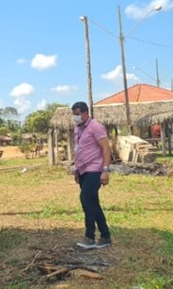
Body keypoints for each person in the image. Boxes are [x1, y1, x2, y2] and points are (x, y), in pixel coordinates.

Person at [71, 101, 112, 249]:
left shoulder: (96, 127)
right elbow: (78, 150)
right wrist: (76, 170)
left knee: (86, 199)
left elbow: (106, 148)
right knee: (93, 203)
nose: (75, 117)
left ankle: (90, 237)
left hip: (95, 169)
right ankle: (105, 236)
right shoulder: (77, 129)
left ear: (85, 113)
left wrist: (105, 170)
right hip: (82, 170)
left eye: (77, 115)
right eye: (73, 115)